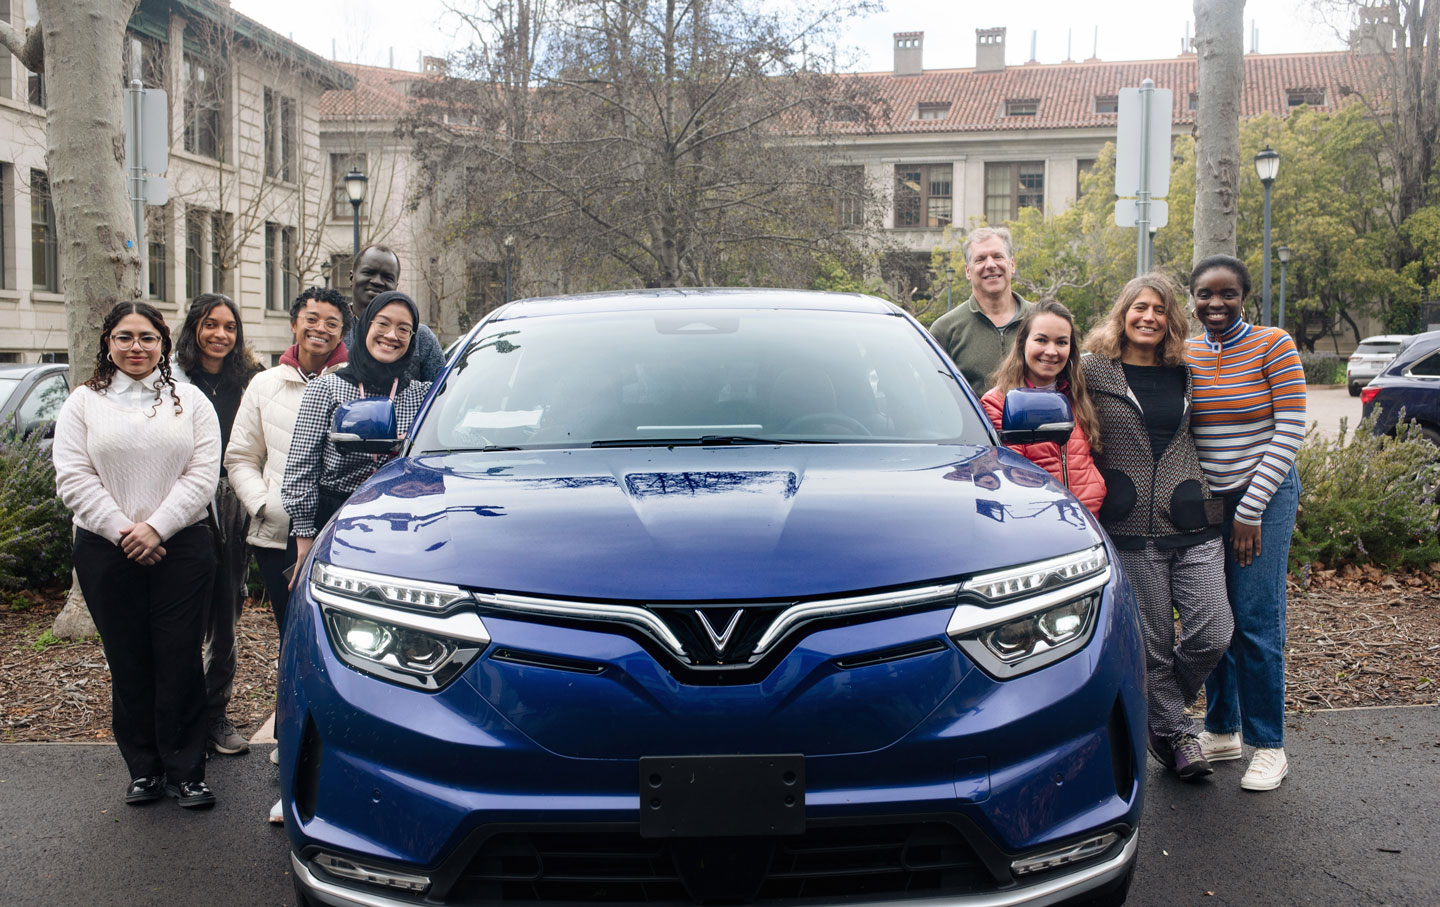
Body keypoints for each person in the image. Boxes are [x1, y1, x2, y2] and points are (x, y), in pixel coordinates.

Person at [52, 302, 221, 809]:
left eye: (147, 338)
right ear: (107, 342)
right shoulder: (83, 403)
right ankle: (144, 769)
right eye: (124, 337)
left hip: (183, 546)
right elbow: (73, 475)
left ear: (163, 344)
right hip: (106, 549)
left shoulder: (190, 401)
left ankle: (187, 769)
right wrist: (126, 530)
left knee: (180, 658)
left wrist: (157, 527)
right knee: (128, 660)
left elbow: (203, 474)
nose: (136, 347)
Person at [1082, 273, 1233, 781]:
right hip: (1127, 527)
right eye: (1139, 307)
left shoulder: (1188, 370)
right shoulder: (1092, 369)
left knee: (1214, 630)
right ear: (1122, 313)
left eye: (1159, 309)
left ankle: (1160, 712)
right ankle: (1179, 737)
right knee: (1152, 644)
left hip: (1191, 518)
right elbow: (1031, 383)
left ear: (1172, 319)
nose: (1148, 317)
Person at [1186, 254, 1306, 792]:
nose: (1216, 304)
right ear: (1192, 298)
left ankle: (1268, 744)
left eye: (1227, 294)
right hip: (1212, 502)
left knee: (1256, 619)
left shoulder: (1272, 344)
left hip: (1266, 495)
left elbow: (1291, 427)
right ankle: (1221, 728)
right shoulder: (1185, 352)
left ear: (1245, 298)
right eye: (1206, 294)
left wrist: (1251, 508)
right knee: (1214, 614)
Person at [226, 287, 349, 641]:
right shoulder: (264, 384)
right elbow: (241, 456)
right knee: (290, 632)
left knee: (334, 635)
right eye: (311, 319)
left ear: (342, 333)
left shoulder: (353, 384)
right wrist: (264, 505)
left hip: (334, 532)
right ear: (294, 324)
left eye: (332, 323)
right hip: (277, 534)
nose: (320, 329)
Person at [284, 290, 433, 580]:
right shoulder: (326, 389)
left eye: (404, 329)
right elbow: (300, 468)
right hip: (332, 521)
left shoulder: (423, 396)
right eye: (383, 324)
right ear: (365, 326)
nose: (392, 335)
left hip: (397, 522)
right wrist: (304, 537)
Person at [170, 294, 261, 756]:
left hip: (232, 500)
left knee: (226, 613)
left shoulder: (249, 380)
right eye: (211, 325)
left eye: (229, 327)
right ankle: (181, 716)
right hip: (182, 502)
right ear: (194, 328)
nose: (220, 335)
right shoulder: (170, 379)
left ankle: (214, 714)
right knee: (183, 615)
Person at [979, 300, 1105, 515]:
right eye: (1041, 340)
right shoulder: (999, 402)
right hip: (1037, 521)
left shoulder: (1077, 398)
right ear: (1023, 343)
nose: (1051, 351)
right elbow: (1012, 476)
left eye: (1062, 342)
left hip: (1087, 521)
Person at [928, 226, 1035, 394]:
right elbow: (934, 394)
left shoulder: (1040, 320)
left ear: (1012, 264)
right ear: (967, 271)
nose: (991, 265)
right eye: (980, 259)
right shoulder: (945, 330)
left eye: (998, 256)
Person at [343, 245, 445, 382]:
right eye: (368, 273)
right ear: (351, 278)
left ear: (396, 287)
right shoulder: (334, 332)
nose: (377, 282)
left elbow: (441, 394)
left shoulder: (421, 338)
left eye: (387, 277)